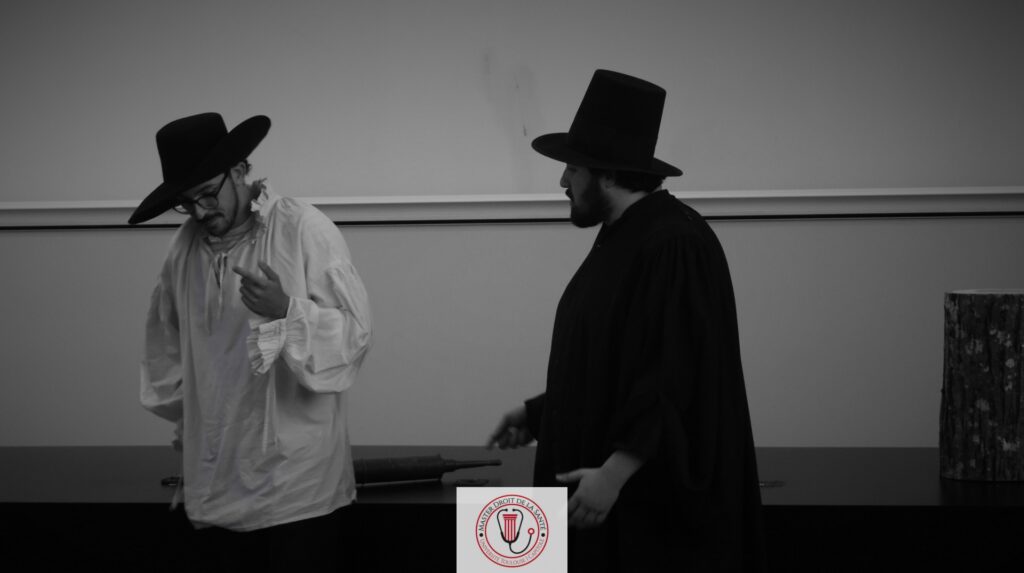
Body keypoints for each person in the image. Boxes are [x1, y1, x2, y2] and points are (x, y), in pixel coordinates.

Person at [487, 70, 766, 571]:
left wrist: (614, 473)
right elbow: (616, 360)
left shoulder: (673, 243)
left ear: (609, 174)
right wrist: (540, 413)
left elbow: (674, 378)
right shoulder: (627, 234)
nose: (563, 182)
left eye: (573, 169)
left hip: (644, 518)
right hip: (604, 502)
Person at [131, 112, 372, 571]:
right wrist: (191, 422)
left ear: (240, 170)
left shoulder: (302, 229)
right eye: (186, 202)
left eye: (207, 194)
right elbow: (166, 347)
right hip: (217, 484)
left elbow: (354, 337)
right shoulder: (183, 249)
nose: (200, 212)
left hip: (296, 491)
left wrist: (287, 310)